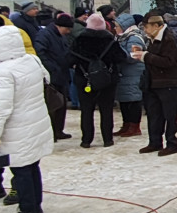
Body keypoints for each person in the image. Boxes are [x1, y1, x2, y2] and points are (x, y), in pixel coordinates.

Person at [0, 26, 53, 213]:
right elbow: (46, 79)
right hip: (36, 121)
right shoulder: (31, 60)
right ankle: (35, 205)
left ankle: (27, 210)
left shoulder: (4, 71)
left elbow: (2, 107)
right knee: (32, 166)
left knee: (20, 169)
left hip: (17, 128)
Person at [70, 12, 126, 148]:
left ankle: (86, 140)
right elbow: (121, 57)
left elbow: (68, 60)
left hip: (85, 80)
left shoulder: (79, 40)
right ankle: (107, 139)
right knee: (106, 110)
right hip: (107, 80)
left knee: (86, 111)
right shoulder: (110, 41)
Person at [134, 9, 177, 156]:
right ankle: (155, 142)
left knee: (169, 115)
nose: (145, 30)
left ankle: (172, 144)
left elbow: (168, 62)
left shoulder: (168, 39)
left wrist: (145, 56)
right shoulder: (153, 38)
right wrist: (142, 52)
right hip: (154, 82)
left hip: (168, 83)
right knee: (154, 114)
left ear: (156, 26)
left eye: (146, 27)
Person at [35, 13, 74, 141]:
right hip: (52, 75)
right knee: (53, 104)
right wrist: (52, 68)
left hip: (61, 74)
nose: (68, 32)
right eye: (67, 29)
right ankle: (51, 132)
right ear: (60, 26)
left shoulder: (60, 35)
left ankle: (58, 130)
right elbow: (40, 52)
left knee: (61, 104)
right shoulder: (44, 35)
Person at [114, 13, 147, 137]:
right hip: (125, 74)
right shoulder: (122, 37)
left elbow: (134, 56)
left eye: (117, 26)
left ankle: (135, 126)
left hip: (134, 75)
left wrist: (118, 53)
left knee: (133, 101)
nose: (115, 29)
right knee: (124, 101)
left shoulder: (134, 38)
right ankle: (126, 124)